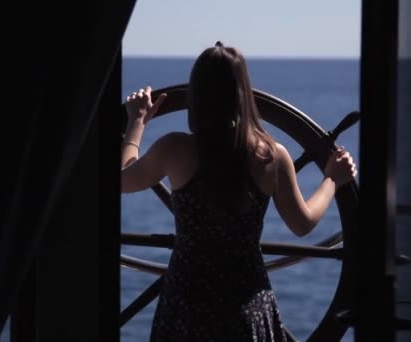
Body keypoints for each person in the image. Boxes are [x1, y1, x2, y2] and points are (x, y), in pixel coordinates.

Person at [121, 42, 357, 342]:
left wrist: (136, 122)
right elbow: (303, 223)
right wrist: (332, 180)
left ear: (196, 96)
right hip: (247, 306)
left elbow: (122, 179)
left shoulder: (175, 149)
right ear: (243, 94)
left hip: (186, 305)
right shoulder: (271, 156)